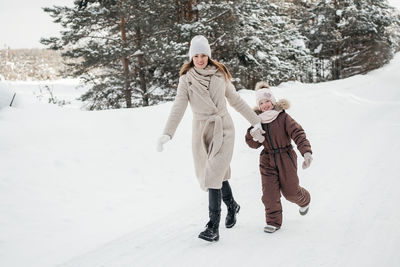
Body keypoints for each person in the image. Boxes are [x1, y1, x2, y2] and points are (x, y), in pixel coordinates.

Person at [156, 35, 264, 242]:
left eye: (203, 55)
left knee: (213, 174)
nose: (200, 59)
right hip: (201, 130)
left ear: (208, 55)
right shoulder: (186, 79)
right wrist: (167, 133)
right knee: (217, 175)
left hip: (223, 128)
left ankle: (213, 226)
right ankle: (232, 205)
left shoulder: (220, 75)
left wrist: (255, 120)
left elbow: (236, 100)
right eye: (195, 55)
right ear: (191, 57)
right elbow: (178, 106)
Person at [245, 81, 313, 233]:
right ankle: (273, 222)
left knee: (290, 192)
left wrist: (306, 152)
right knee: (269, 193)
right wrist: (254, 136)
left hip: (285, 158)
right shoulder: (257, 121)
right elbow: (251, 143)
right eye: (261, 102)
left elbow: (298, 133)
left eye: (267, 101)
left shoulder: (283, 117)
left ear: (273, 101)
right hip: (267, 159)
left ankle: (304, 199)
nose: (265, 105)